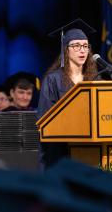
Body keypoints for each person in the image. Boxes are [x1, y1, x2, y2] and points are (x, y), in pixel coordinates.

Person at [37, 18, 98, 169]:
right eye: (76, 46)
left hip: (92, 149)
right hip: (61, 150)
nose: (82, 50)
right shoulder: (53, 80)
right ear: (66, 49)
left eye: (85, 46)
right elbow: (44, 119)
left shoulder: (95, 78)